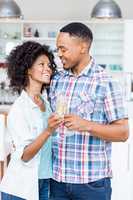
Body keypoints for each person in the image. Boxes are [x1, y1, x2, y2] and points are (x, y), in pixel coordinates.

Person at [49, 22, 129, 200]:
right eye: (58, 49)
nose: (59, 54)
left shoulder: (106, 81)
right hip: (57, 180)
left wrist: (86, 125)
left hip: (91, 184)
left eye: (63, 49)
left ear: (83, 47)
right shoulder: (57, 80)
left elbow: (123, 132)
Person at [0, 41, 62, 200]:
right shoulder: (19, 109)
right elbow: (25, 155)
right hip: (20, 188)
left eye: (49, 65)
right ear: (27, 69)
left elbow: (50, 143)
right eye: (41, 64)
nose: (47, 68)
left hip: (43, 182)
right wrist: (48, 130)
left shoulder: (46, 104)